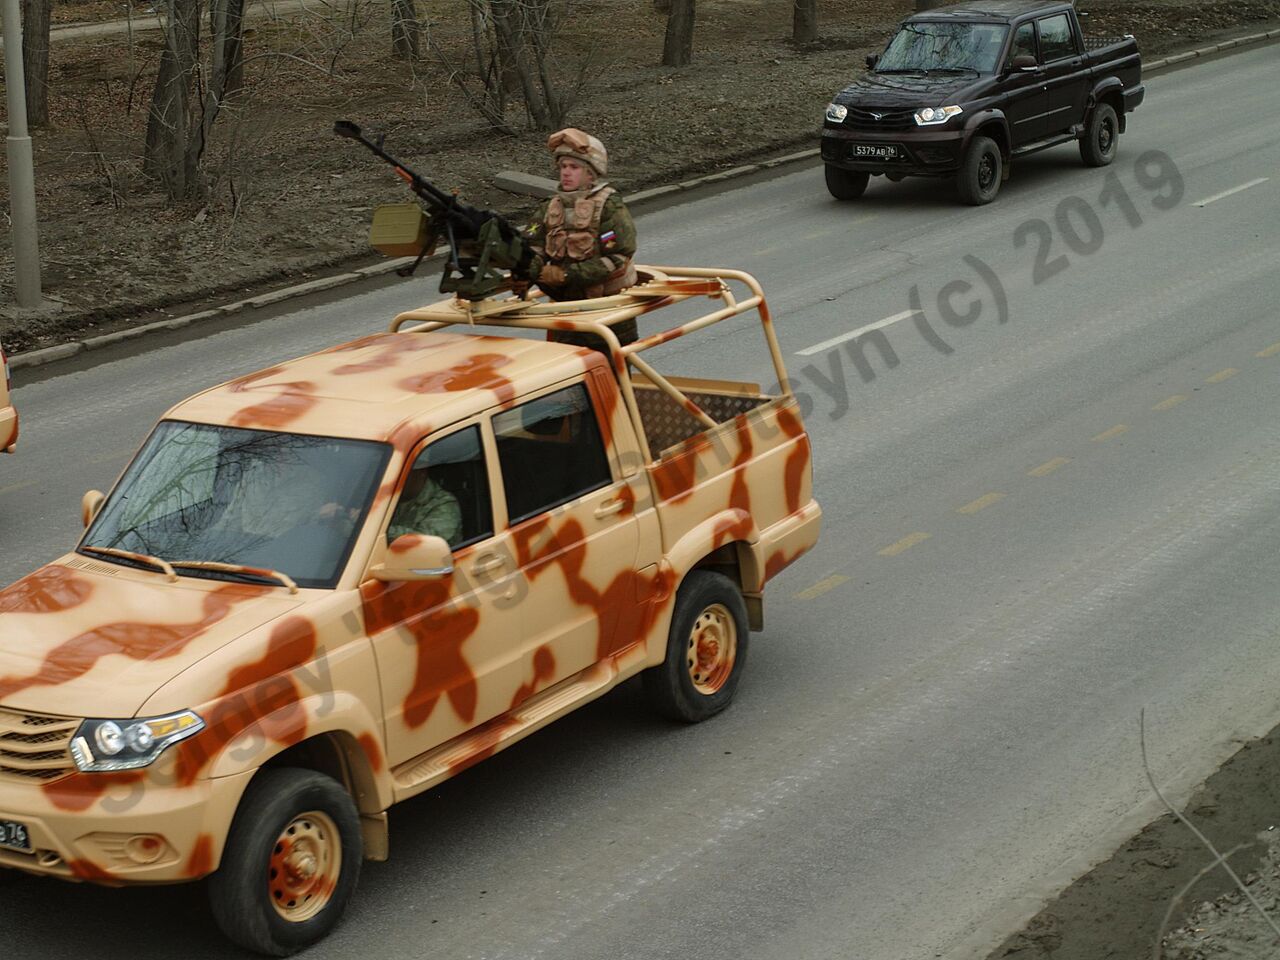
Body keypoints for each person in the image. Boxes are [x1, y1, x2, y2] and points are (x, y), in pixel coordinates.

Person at [522, 128, 640, 351]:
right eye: (563, 167)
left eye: (574, 167)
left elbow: (618, 258)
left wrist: (566, 275)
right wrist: (526, 271)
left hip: (607, 312)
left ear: (591, 174)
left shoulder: (608, 206)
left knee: (611, 378)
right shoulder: (550, 206)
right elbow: (533, 246)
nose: (566, 173)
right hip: (565, 313)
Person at [387, 468, 462, 546]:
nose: (394, 479)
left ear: (421, 473)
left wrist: (382, 532)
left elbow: (429, 542)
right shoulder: (389, 498)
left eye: (401, 474)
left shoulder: (444, 503)